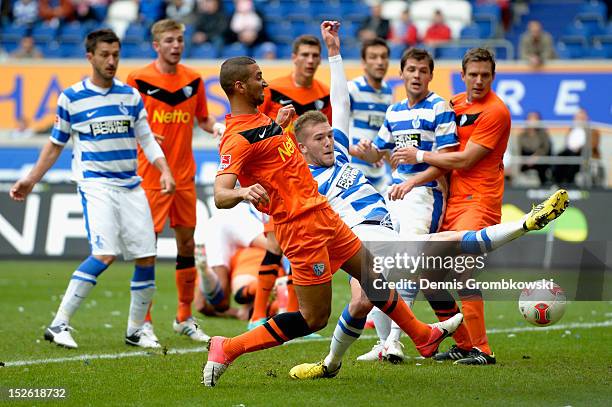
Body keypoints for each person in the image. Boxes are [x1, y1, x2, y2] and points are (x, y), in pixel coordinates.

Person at [201, 21, 465, 387]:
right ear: (240, 86)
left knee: (371, 276)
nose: (266, 82)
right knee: (313, 318)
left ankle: (422, 336)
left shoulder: (262, 120)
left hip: (323, 214)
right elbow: (221, 193)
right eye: (259, 77)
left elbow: (273, 158)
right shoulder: (235, 138)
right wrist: (244, 193)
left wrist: (279, 127)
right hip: (300, 228)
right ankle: (227, 347)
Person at [9, 28, 175, 349]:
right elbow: (55, 145)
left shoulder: (130, 96)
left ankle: (135, 330)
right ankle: (58, 324)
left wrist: (164, 170)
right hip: (96, 184)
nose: (111, 61)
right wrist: (31, 179)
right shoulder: (71, 98)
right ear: (90, 57)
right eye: (105, 55)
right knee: (105, 253)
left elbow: (147, 140)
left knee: (147, 256)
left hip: (131, 185)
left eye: (116, 55)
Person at [391, 48, 512, 365]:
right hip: (453, 200)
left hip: (481, 201)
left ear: (493, 77)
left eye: (485, 75)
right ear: (462, 75)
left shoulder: (496, 111)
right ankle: (462, 343)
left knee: (461, 272)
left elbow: (466, 158)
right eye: (473, 74)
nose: (479, 80)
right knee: (428, 275)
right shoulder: (455, 104)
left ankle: (482, 349)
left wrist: (419, 157)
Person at [348, 46, 457, 361]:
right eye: (411, 70)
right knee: (376, 265)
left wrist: (412, 180)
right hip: (394, 194)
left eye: (423, 71)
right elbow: (378, 154)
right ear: (403, 73)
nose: (417, 76)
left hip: (426, 193)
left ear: (430, 75)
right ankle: (385, 343)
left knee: (408, 262)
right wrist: (365, 149)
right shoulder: (394, 111)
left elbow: (448, 160)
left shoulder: (440, 108)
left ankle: (396, 340)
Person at [127, 19, 222, 343]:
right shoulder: (137, 79)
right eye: (169, 40)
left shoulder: (193, 79)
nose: (176, 45)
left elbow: (203, 119)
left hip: (184, 176)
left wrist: (220, 128)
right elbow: (128, 122)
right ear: (156, 45)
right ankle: (144, 321)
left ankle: (184, 316)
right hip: (150, 177)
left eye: (180, 40)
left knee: (185, 246)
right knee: (147, 250)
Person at [249, 33, 333, 329]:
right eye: (305, 55)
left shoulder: (324, 93)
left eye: (315, 56)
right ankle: (257, 314)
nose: (310, 61)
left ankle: (297, 313)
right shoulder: (274, 89)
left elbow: (327, 132)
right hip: (275, 178)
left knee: (305, 244)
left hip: (307, 180)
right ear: (294, 57)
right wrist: (279, 124)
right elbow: (254, 129)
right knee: (275, 243)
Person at [346, 37, 393, 193]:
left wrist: (381, 156)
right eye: (373, 57)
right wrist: (355, 150)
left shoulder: (388, 92)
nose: (379, 62)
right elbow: (333, 130)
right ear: (364, 62)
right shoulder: (352, 89)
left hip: (379, 175)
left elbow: (383, 134)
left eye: (383, 57)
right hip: (353, 171)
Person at [553, 108, 601, 186]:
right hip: (569, 152)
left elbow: (593, 145)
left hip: (584, 155)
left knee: (573, 158)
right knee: (560, 155)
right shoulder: (571, 130)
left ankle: (569, 182)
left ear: (586, 118)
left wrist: (580, 148)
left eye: (581, 118)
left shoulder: (592, 131)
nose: (579, 120)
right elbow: (567, 144)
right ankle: (556, 181)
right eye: (577, 118)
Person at [518, 111, 551, 185]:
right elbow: (519, 150)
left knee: (542, 163)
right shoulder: (522, 135)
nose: (532, 121)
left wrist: (535, 156)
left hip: (539, 160)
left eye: (535, 119)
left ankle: (543, 185)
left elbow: (546, 148)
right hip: (525, 160)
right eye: (530, 119)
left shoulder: (543, 134)